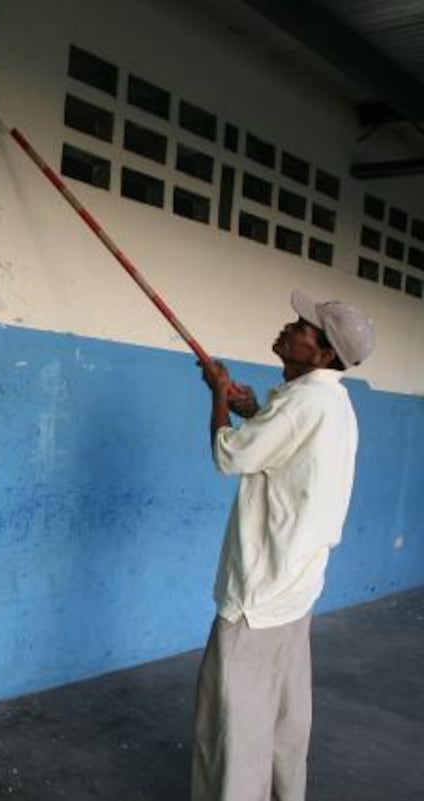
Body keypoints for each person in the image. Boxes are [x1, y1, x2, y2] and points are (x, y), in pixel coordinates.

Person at [192, 290, 376, 801]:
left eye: (302, 328)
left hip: (258, 595)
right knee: (283, 718)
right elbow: (286, 448)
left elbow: (229, 457)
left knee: (233, 722)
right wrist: (249, 408)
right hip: (296, 588)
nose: (289, 329)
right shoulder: (332, 401)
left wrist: (218, 394)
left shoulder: (302, 402)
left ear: (322, 355)